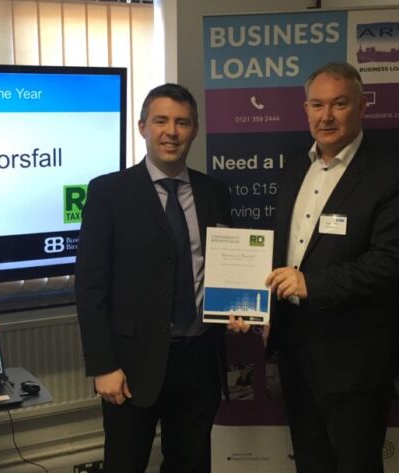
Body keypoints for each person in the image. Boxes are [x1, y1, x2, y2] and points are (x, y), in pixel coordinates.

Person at [264, 62, 399, 473]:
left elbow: (389, 262)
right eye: (317, 105)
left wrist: (311, 284)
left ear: (362, 106)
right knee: (310, 461)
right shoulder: (295, 166)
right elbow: (285, 250)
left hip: (356, 357)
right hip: (296, 347)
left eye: (339, 104)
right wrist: (262, 307)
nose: (327, 116)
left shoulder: (394, 174)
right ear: (306, 109)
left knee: (357, 464)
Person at [75, 83, 236, 473]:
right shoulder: (108, 193)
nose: (171, 132)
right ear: (142, 127)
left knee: (191, 465)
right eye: (161, 121)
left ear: (194, 130)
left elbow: (227, 266)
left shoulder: (214, 192)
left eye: (182, 122)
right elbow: (90, 286)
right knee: (125, 464)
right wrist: (102, 366)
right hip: (131, 366)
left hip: (199, 360)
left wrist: (238, 306)